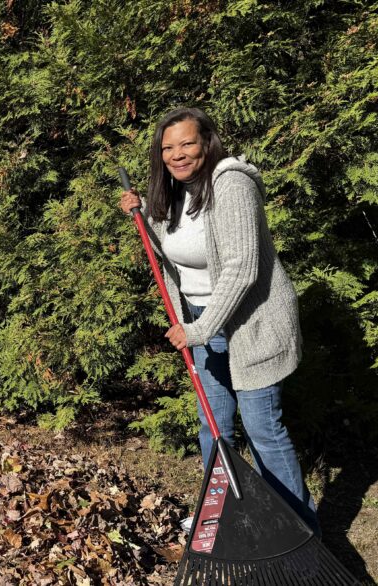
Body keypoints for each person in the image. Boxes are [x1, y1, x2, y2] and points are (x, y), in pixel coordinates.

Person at [118, 107, 320, 536]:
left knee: (263, 430)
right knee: (213, 427)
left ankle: (299, 535)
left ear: (207, 142)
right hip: (201, 323)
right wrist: (142, 214)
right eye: (167, 148)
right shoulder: (176, 191)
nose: (177, 154)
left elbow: (241, 268)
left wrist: (200, 330)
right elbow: (179, 249)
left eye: (187, 143)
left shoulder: (231, 184)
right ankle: (223, 516)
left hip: (251, 324)